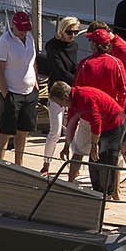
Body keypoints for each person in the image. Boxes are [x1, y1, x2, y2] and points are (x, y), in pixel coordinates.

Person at [88, 22, 126, 181]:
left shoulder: (119, 46)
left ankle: (116, 186)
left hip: (125, 98)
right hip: (114, 98)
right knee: (122, 142)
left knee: (117, 142)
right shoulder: (109, 45)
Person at [49, 81, 126, 197]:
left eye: (60, 103)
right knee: (93, 162)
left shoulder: (84, 97)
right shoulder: (73, 102)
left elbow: (96, 121)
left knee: (106, 161)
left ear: (65, 96)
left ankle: (108, 194)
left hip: (114, 124)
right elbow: (72, 123)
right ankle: (97, 193)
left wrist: (94, 145)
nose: (61, 106)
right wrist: (66, 147)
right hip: (102, 126)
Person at [0, 11, 39, 166]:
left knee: (23, 131)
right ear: (13, 25)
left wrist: (36, 84)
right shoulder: (4, 42)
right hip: (12, 92)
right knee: (5, 131)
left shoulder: (29, 38)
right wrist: (6, 94)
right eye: (20, 29)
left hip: (29, 91)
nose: (23, 32)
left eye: (26, 29)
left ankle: (19, 163)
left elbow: (33, 61)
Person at [39, 16, 82, 175]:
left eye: (76, 32)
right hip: (57, 91)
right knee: (55, 131)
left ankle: (74, 167)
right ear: (62, 30)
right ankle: (46, 165)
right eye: (70, 32)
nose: (73, 35)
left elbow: (73, 67)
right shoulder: (52, 46)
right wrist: (78, 81)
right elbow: (59, 70)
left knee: (75, 131)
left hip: (71, 91)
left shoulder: (74, 46)